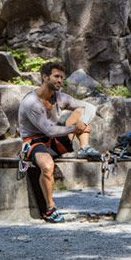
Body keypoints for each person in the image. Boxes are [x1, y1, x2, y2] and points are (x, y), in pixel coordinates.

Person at [17, 61, 100, 223]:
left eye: (62, 77)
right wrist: (75, 128)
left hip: (54, 140)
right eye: (56, 76)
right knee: (47, 166)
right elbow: (48, 130)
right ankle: (50, 209)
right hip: (34, 142)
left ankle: (84, 147)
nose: (60, 80)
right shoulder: (31, 103)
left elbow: (88, 107)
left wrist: (81, 122)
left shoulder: (61, 97)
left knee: (79, 111)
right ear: (44, 77)